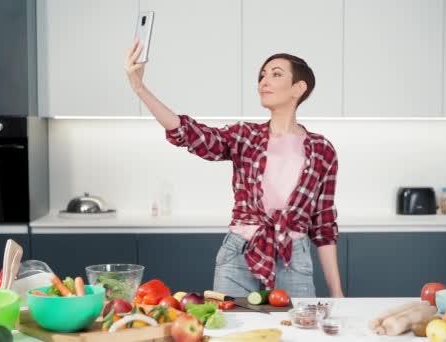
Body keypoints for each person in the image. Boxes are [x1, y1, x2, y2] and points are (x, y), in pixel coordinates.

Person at [125, 39, 344, 298]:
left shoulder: (322, 150)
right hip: (239, 252)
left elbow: (324, 226)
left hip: (293, 256)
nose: (264, 81)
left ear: (299, 88)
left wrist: (337, 293)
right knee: (232, 333)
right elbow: (189, 133)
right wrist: (139, 87)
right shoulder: (244, 136)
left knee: (295, 332)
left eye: (276, 74)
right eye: (262, 75)